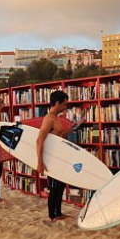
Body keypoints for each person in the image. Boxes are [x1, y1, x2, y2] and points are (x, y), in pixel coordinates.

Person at [36, 90, 75, 222]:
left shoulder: (56, 118)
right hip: (52, 159)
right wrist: (40, 162)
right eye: (64, 104)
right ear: (57, 103)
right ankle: (52, 216)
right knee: (54, 188)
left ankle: (58, 213)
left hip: (60, 158)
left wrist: (71, 129)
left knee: (60, 186)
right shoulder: (49, 119)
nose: (66, 107)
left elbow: (59, 136)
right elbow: (39, 140)